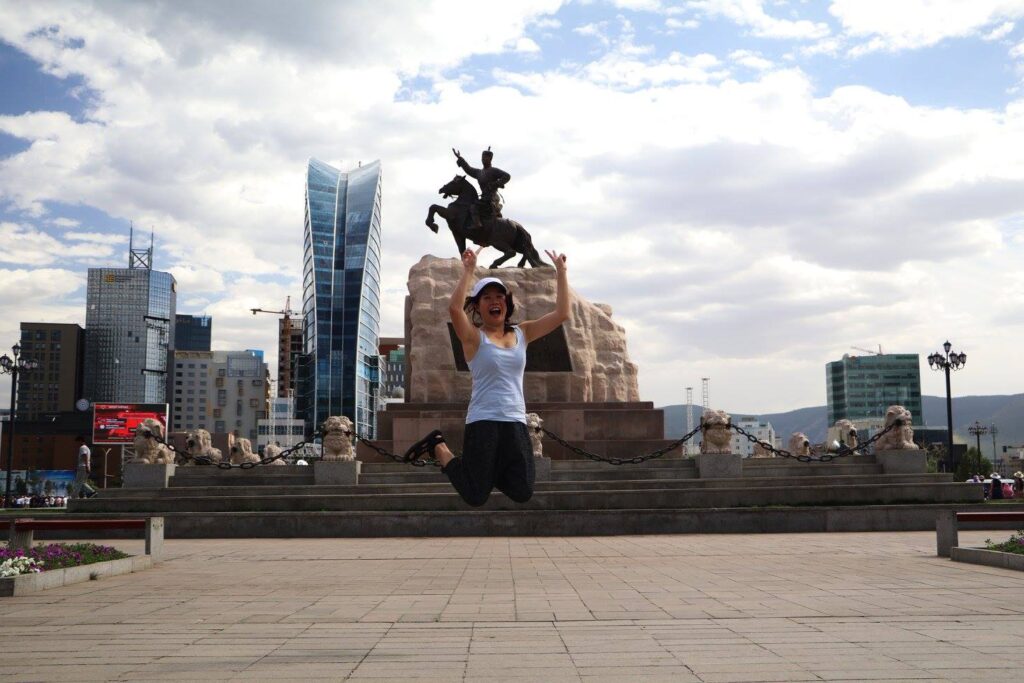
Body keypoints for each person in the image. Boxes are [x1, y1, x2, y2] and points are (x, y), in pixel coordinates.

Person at [403, 245, 570, 506]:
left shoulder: (522, 333)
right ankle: (440, 448)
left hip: (515, 421)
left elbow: (562, 314)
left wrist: (560, 272)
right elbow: (455, 311)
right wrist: (468, 270)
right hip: (483, 421)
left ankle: (484, 472)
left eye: (499, 296)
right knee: (475, 495)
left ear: (507, 302)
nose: (495, 301)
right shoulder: (474, 338)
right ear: (478, 307)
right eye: (487, 297)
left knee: (523, 490)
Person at [453, 147, 511, 232]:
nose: (483, 160)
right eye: (482, 158)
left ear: (490, 159)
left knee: (473, 207)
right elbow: (468, 169)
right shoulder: (479, 172)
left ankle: (477, 224)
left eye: (485, 158)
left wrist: (495, 184)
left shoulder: (494, 171)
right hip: (484, 198)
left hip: (491, 198)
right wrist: (460, 158)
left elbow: (507, 176)